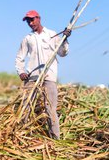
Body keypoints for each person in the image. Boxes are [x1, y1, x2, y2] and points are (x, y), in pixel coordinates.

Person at [15, 10, 71, 139]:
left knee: (50, 108)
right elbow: (19, 57)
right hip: (32, 76)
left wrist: (65, 39)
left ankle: (55, 138)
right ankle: (21, 135)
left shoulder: (52, 34)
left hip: (49, 76)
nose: (30, 23)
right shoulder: (27, 39)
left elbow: (63, 53)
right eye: (28, 21)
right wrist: (21, 71)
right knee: (25, 106)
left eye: (32, 19)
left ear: (39, 18)